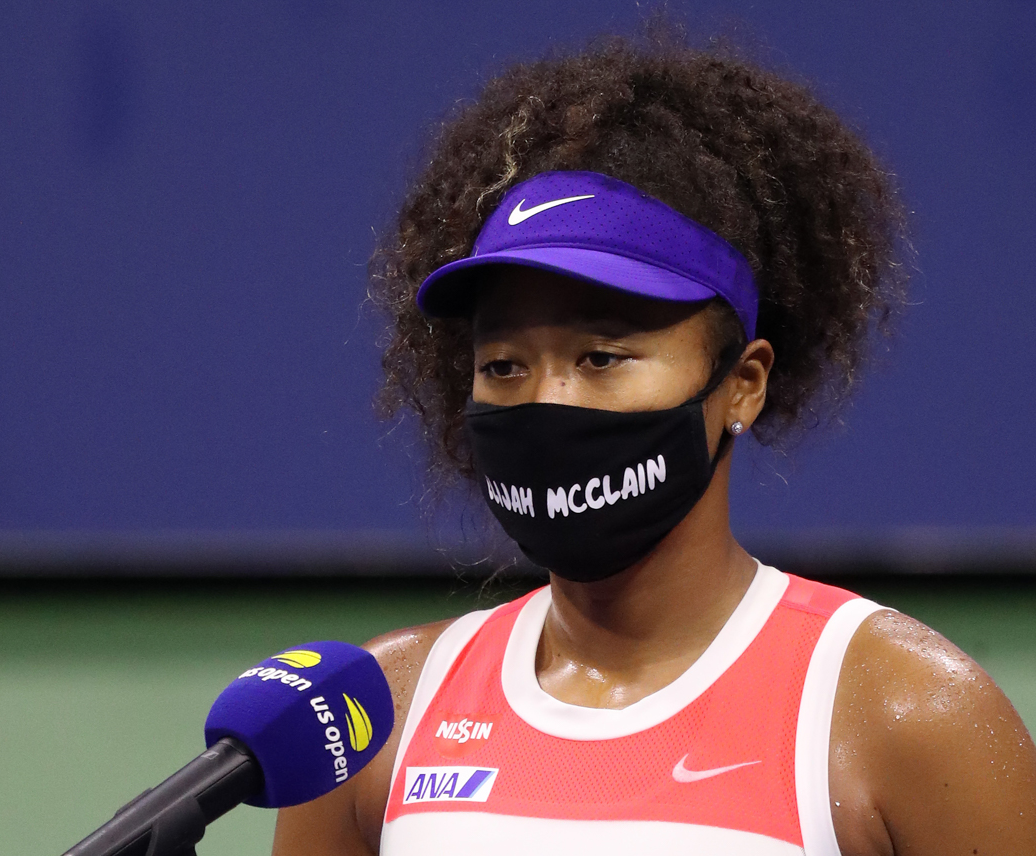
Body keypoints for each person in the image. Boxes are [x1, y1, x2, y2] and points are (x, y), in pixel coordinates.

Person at [272, 35, 1036, 856]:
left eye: (601, 358)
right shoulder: (374, 719)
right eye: (503, 365)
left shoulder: (907, 719)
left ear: (743, 383)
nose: (547, 400)